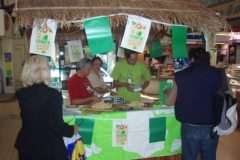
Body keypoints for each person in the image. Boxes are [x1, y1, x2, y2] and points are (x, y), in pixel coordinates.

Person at [15, 55, 79, 160]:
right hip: (48, 147)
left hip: (27, 144)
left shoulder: (21, 93)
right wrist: (72, 130)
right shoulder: (52, 94)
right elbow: (56, 125)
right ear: (44, 71)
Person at [163, 47, 222, 160]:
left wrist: (166, 93)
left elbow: (169, 101)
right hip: (212, 125)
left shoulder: (181, 76)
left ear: (193, 58)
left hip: (190, 125)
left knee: (189, 157)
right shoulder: (218, 74)